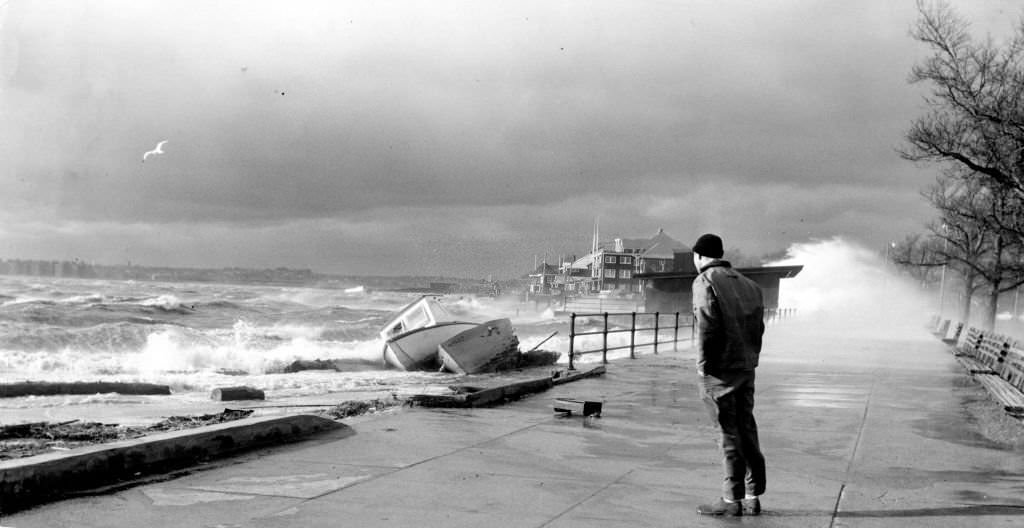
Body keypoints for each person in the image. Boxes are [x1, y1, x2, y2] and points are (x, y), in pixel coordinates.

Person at [690, 233, 767, 517]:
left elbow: (706, 325)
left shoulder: (705, 281)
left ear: (699, 256)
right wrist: (751, 359)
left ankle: (730, 499)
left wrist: (702, 365)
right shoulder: (750, 285)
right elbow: (759, 329)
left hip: (719, 372)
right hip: (746, 367)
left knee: (727, 433)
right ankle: (752, 495)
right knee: (747, 430)